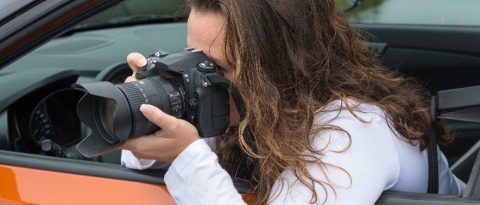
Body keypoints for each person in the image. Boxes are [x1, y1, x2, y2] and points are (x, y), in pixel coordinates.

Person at [119, 0, 465, 204]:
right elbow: (150, 164)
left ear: (277, 65)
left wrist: (187, 156)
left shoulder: (352, 131)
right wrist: (153, 108)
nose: (199, 74)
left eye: (217, 66)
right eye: (194, 57)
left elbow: (191, 163)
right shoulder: (267, 103)